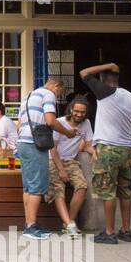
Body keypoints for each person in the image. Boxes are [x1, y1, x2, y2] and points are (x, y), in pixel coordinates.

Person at [79, 63, 131, 244]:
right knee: (125, 191)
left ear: (102, 78)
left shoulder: (104, 91)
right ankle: (126, 230)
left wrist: (111, 65)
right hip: (127, 150)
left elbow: (84, 72)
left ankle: (109, 232)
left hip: (108, 149)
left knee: (108, 192)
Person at [16, 77, 74, 240]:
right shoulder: (48, 95)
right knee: (36, 185)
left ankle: (28, 222)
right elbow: (51, 121)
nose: (58, 95)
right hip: (35, 144)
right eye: (59, 91)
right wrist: (68, 133)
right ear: (56, 86)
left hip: (23, 142)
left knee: (28, 186)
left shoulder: (28, 96)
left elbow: (19, 124)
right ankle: (31, 227)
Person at [48, 96, 93, 235]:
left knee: (82, 186)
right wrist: (61, 170)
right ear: (71, 109)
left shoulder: (86, 123)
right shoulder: (60, 123)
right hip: (55, 160)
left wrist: (96, 154)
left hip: (72, 162)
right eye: (77, 111)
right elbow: (53, 148)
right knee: (58, 191)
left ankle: (68, 223)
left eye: (82, 112)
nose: (79, 114)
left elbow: (88, 144)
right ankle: (69, 224)